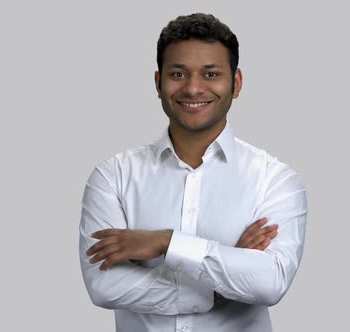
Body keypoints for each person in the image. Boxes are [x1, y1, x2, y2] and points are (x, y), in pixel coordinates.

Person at [79, 13, 307, 332]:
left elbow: (270, 283)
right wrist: (227, 272)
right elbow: (103, 286)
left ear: (236, 83)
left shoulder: (275, 180)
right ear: (158, 83)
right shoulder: (112, 177)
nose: (194, 88)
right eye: (178, 73)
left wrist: (166, 242)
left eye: (211, 73)